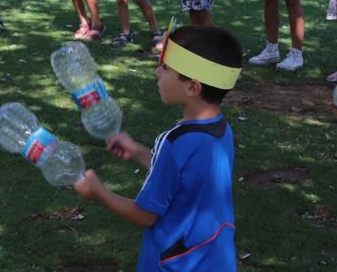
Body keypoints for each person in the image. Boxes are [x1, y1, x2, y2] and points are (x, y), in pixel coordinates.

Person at [73, 25, 243, 272]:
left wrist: (98, 192)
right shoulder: (220, 129)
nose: (156, 72)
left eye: (165, 68)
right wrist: (136, 150)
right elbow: (184, 174)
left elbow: (145, 215)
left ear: (192, 87)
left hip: (174, 263)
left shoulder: (174, 141)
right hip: (214, 257)